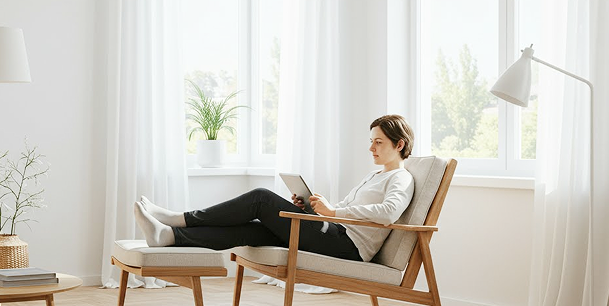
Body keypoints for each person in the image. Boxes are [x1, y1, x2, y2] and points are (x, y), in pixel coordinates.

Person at [134, 114, 416, 262]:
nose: (371, 147)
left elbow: (388, 213)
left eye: (378, 142)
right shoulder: (375, 176)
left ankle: (181, 218)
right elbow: (348, 212)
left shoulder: (400, 178)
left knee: (261, 198)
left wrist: (333, 210)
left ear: (399, 144)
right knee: (254, 229)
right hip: (334, 232)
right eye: (371, 140)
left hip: (347, 246)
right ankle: (169, 236)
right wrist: (313, 208)